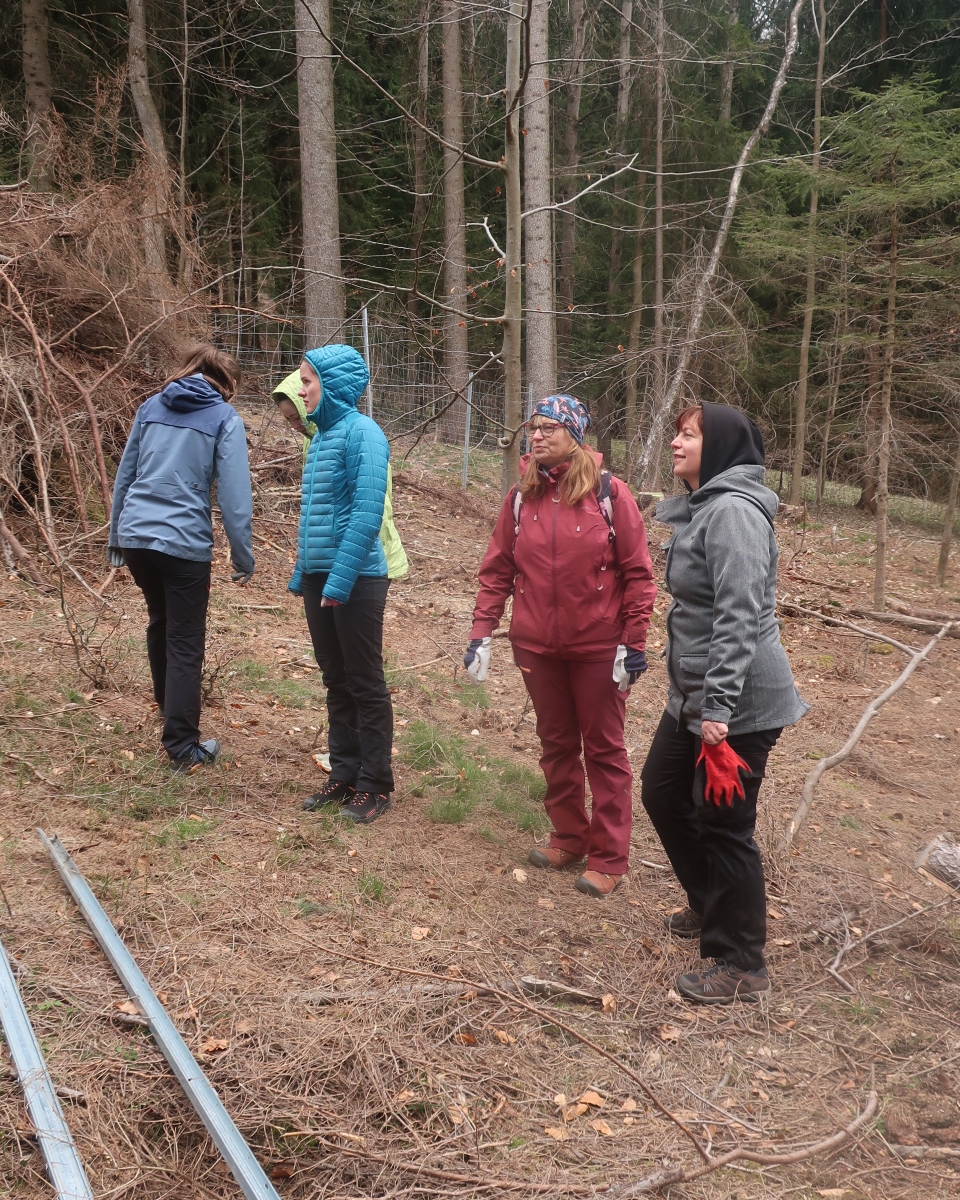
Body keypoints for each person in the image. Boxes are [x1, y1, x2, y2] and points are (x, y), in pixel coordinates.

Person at [640, 402, 809, 1004]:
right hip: (696, 693)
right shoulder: (705, 506)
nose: (677, 443)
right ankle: (711, 901)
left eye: (689, 435)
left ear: (719, 448)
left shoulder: (734, 512)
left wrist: (718, 709)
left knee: (725, 824)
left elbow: (739, 617)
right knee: (663, 791)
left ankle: (742, 964)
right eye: (678, 433)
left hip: (739, 701)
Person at [465, 395, 657, 897]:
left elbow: (638, 574)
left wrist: (633, 642)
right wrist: (481, 632)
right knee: (556, 744)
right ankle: (570, 837)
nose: (537, 435)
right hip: (536, 646)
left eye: (549, 427)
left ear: (574, 434)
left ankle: (609, 857)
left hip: (598, 646)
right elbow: (498, 569)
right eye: (533, 427)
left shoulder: (610, 494)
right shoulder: (520, 497)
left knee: (604, 748)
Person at [107, 345, 254, 772]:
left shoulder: (150, 406)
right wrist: (243, 557)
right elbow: (234, 497)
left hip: (136, 536)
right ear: (227, 384)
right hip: (183, 543)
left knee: (161, 620)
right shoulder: (224, 418)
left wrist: (117, 537)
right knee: (185, 639)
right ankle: (183, 746)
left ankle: (166, 706)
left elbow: (126, 474)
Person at [287, 345, 395, 825]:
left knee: (364, 681)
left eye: (307, 381)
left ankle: (375, 784)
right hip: (321, 578)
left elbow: (367, 512)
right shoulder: (321, 438)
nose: (301, 390)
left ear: (331, 385)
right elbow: (316, 516)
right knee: (335, 679)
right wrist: (304, 572)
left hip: (357, 579)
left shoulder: (363, 433)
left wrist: (340, 579)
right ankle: (344, 773)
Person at [272, 369, 408, 579]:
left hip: (364, 556)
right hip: (327, 557)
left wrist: (349, 562)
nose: (295, 426)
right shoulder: (314, 440)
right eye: (289, 420)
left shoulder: (359, 433)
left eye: (297, 417)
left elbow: (369, 507)